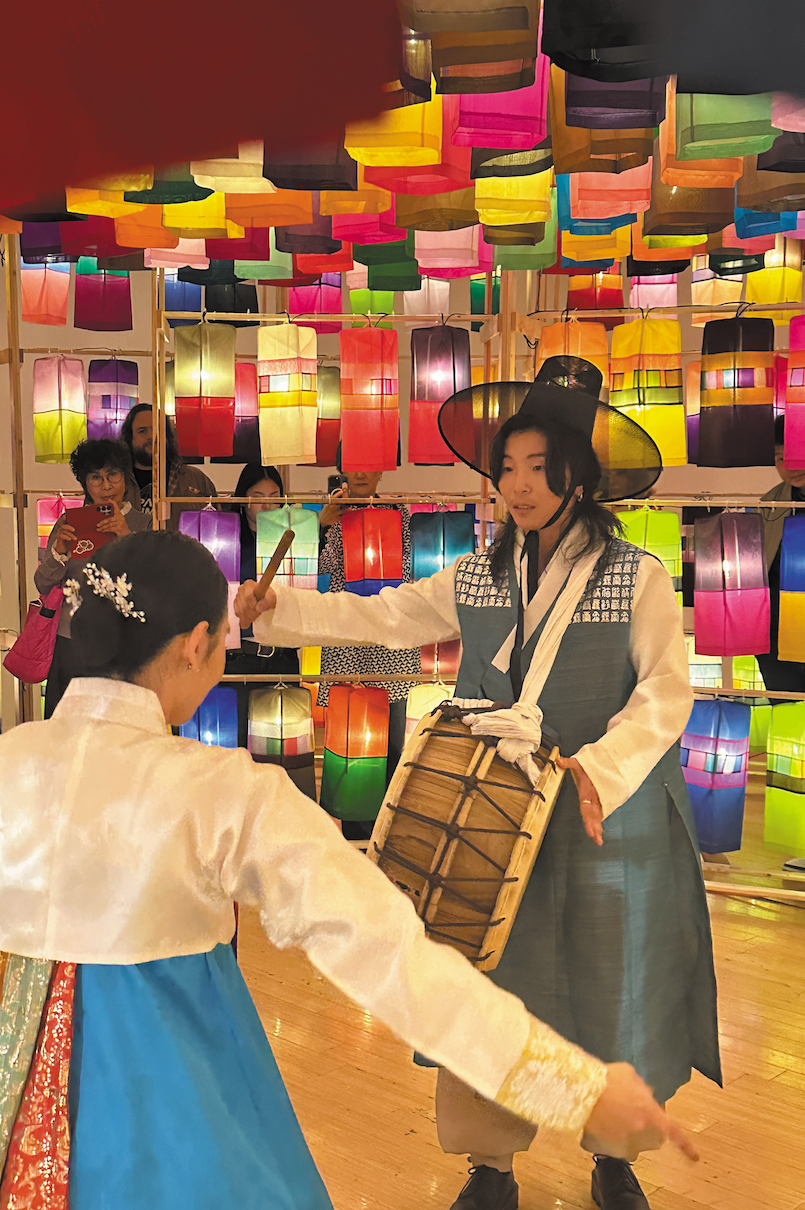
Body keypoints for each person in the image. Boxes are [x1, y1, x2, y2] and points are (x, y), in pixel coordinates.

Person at [0, 529, 696, 1210]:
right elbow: (388, 954)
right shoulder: (223, 793)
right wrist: (572, 1087)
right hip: (166, 1075)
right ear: (194, 645)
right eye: (221, 643)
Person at [237, 360, 720, 1210]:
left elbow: (664, 691)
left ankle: (615, 1154)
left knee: (614, 983)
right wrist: (278, 612)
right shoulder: (477, 574)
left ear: (578, 477)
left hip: (604, 810)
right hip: (493, 821)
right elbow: (383, 616)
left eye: (539, 468)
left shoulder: (636, 574)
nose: (518, 486)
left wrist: (597, 770)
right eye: (507, 468)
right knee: (490, 986)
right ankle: (489, 1163)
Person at [316, 461, 420, 842]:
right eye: (353, 467)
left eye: (368, 467)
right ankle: (356, 838)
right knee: (350, 743)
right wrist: (323, 525)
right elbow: (319, 571)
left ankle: (389, 838)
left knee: (391, 747)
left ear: (381, 473)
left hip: (389, 643)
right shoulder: (333, 514)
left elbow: (407, 570)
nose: (360, 474)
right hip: (347, 641)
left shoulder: (397, 512)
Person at [35, 437, 150, 717]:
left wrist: (126, 538)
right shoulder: (69, 523)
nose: (106, 485)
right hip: (72, 640)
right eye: (96, 478)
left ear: (125, 477)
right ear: (85, 484)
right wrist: (60, 552)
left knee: (119, 726)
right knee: (68, 726)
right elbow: (42, 583)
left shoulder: (145, 523)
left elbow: (152, 587)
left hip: (124, 642)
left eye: (113, 475)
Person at [226, 464, 303, 764]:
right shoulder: (226, 540)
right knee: (235, 752)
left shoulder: (297, 541)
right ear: (242, 499)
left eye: (274, 497)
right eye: (257, 497)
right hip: (238, 658)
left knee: (278, 757)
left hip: (282, 656)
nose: (266, 505)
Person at [759, 413, 805, 873]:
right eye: (779, 457)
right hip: (775, 637)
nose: (789, 466)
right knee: (794, 730)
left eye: (794, 455)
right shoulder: (770, 502)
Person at [120, 402, 218, 530]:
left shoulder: (196, 479)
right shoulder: (116, 481)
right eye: (142, 431)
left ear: (166, 435)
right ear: (130, 438)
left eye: (157, 429)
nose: (151, 436)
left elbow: (216, 526)